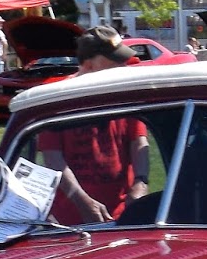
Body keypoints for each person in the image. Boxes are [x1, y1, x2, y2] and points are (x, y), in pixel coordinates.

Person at [35, 26, 149, 225]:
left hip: (123, 216)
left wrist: (141, 181)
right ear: (88, 65)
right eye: (114, 62)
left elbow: (138, 142)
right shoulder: (56, 99)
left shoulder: (127, 95)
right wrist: (81, 200)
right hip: (71, 221)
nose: (122, 66)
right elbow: (53, 158)